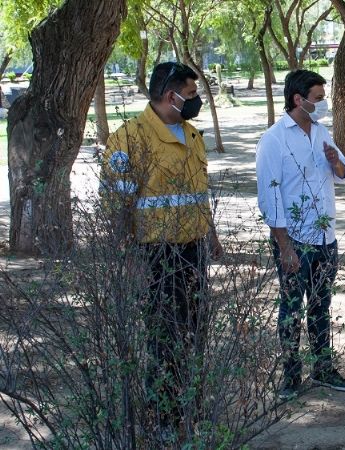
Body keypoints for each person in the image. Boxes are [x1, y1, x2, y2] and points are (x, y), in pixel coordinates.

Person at [102, 61, 223, 430]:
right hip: (155, 255)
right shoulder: (130, 138)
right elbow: (116, 206)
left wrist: (211, 235)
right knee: (164, 338)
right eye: (189, 94)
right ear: (170, 95)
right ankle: (164, 416)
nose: (195, 100)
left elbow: (197, 191)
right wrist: (128, 257)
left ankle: (190, 407)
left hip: (194, 249)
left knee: (195, 330)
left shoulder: (192, 133)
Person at [256, 69, 345, 399]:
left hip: (326, 238)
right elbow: (270, 197)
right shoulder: (273, 140)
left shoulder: (322, 131)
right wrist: (285, 246)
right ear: (298, 99)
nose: (323, 104)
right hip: (294, 240)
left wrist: (335, 162)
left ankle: (323, 368)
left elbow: (343, 174)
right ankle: (291, 375)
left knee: (321, 306)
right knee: (292, 308)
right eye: (318, 98)